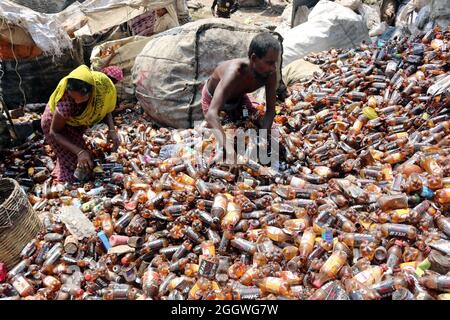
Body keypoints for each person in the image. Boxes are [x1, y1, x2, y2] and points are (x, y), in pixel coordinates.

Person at [202, 32, 280, 163]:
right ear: (254, 58)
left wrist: (261, 139)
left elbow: (271, 111)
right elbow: (211, 114)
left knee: (254, 126)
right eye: (269, 62)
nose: (273, 67)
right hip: (214, 100)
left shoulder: (269, 73)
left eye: (275, 63)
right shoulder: (235, 72)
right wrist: (229, 149)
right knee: (220, 139)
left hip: (239, 97)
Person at [41, 65, 119, 183]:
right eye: (74, 98)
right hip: (55, 125)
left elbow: (106, 107)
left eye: (80, 98)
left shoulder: (102, 87)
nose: (77, 101)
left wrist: (112, 130)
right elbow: (54, 132)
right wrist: (80, 152)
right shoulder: (66, 101)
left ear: (91, 92)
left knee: (87, 161)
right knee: (76, 167)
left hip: (75, 122)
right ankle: (61, 178)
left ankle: (63, 157)